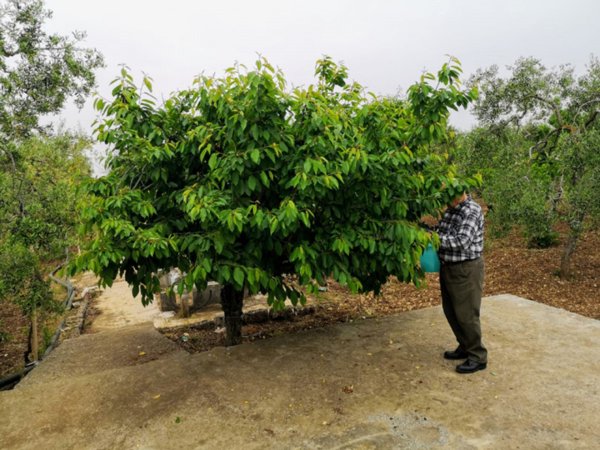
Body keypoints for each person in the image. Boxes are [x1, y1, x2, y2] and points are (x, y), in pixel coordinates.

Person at [437, 191, 487, 374]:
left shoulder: (471, 211)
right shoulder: (451, 210)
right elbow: (442, 232)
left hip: (466, 269)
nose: (444, 199)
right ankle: (465, 346)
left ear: (459, 193)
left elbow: (461, 241)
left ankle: (478, 356)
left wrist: (431, 239)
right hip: (448, 266)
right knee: (451, 311)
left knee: (466, 314)